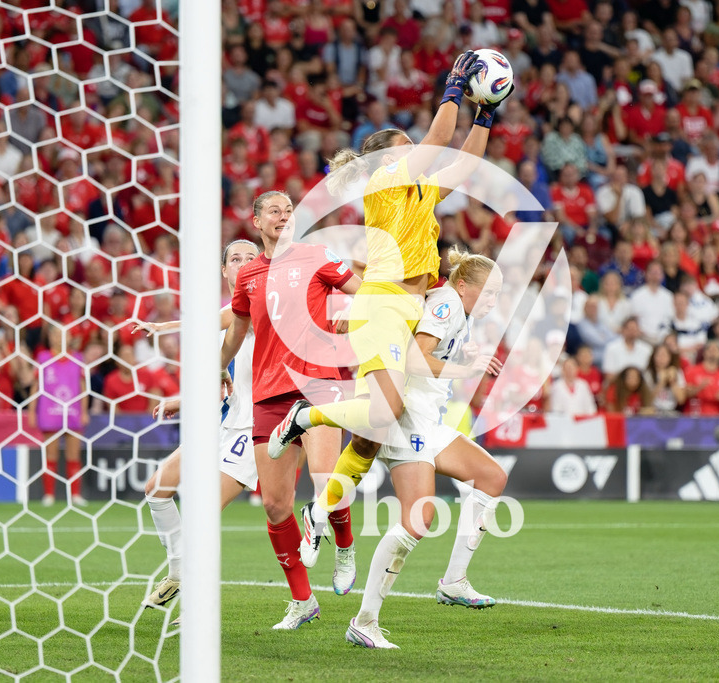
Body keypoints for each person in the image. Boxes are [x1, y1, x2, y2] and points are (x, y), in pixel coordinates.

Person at [269, 52, 509, 572]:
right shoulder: (383, 182)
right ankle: (303, 417)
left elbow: (464, 163)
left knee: (377, 429)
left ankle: (321, 510)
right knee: (383, 412)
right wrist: (453, 88)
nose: (415, 151)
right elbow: (439, 143)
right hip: (382, 301)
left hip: (403, 307)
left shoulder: (418, 192)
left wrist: (485, 114)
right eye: (405, 146)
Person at [347, 248, 505, 649]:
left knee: (491, 477)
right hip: (408, 417)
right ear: (464, 285)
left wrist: (459, 352)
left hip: (427, 418)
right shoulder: (447, 304)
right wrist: (466, 368)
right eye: (488, 294)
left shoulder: (457, 310)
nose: (492, 303)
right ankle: (365, 620)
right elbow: (415, 359)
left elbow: (432, 349)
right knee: (418, 517)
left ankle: (453, 581)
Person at [220, 191, 363, 629]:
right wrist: (216, 368)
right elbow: (237, 329)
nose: (284, 216)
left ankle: (344, 546)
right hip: (270, 392)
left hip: (320, 381)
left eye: (289, 210)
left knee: (325, 482)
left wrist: (353, 317)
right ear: (256, 219)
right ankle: (303, 601)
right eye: (274, 211)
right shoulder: (249, 275)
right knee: (276, 506)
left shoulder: (318, 255)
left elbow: (365, 293)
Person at [130, 239, 260, 617]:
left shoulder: (264, 304)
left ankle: (200, 602)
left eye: (251, 258)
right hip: (220, 421)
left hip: (251, 426)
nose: (243, 263)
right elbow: (218, 379)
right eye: (235, 258)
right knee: (157, 488)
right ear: (224, 270)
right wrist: (180, 401)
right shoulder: (226, 314)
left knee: (208, 510)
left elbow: (223, 321)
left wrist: (161, 324)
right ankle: (179, 572)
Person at [28, 324, 88, 507]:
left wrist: (84, 411)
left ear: (70, 338)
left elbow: (83, 387)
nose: (60, 339)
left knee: (73, 455)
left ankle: (76, 495)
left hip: (73, 411)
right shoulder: (43, 358)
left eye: (65, 335)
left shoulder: (78, 358)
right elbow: (36, 386)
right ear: (51, 338)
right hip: (49, 410)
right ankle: (49, 495)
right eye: (57, 335)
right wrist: (32, 411)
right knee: (51, 455)